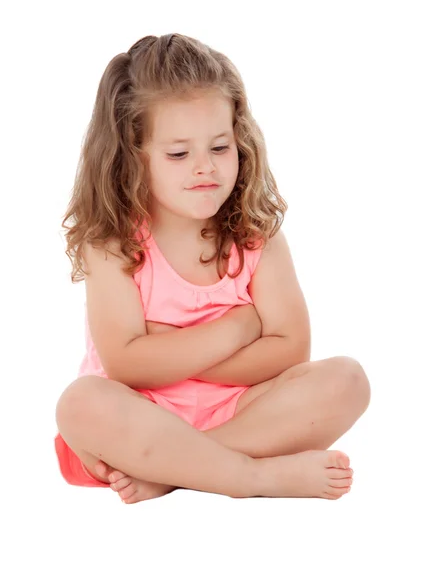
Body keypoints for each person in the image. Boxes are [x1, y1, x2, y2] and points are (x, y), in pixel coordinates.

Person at [54, 33, 370, 504]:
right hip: (138, 416)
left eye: (220, 148)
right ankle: (251, 476)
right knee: (79, 405)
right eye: (179, 154)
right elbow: (125, 367)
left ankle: (179, 470)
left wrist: (162, 344)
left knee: (348, 380)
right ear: (131, 158)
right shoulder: (114, 245)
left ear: (241, 143)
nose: (205, 168)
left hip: (240, 414)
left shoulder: (256, 238)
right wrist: (238, 329)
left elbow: (291, 351)